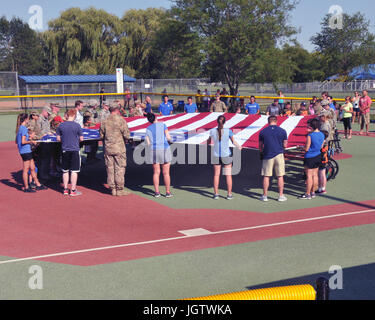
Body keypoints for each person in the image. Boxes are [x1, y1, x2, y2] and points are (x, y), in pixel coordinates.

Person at [208, 115, 242, 200]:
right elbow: (233, 141)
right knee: (228, 175)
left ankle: (216, 194)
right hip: (226, 155)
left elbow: (208, 142)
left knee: (216, 175)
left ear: (217, 121)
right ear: (225, 122)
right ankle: (229, 194)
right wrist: (239, 146)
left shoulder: (212, 131)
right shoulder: (228, 131)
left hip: (216, 155)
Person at [100, 106, 131, 197]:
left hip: (108, 148)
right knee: (120, 168)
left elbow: (101, 136)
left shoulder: (104, 121)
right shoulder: (121, 120)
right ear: (117, 110)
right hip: (119, 148)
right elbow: (127, 135)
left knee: (110, 168)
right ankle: (119, 189)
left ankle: (112, 189)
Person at [258, 116, 288, 202]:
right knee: (280, 176)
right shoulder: (282, 131)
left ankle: (264, 195)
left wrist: (261, 152)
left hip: (267, 155)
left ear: (268, 122)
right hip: (279, 154)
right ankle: (281, 195)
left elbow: (260, 145)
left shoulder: (263, 131)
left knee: (266, 176)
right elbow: (285, 144)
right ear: (276, 121)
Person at [15, 113, 47, 193]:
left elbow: (18, 140)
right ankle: (26, 187)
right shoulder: (23, 128)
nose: (28, 120)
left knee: (32, 168)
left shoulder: (21, 128)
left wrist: (30, 137)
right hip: (25, 151)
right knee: (26, 169)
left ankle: (38, 184)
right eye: (28, 118)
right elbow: (22, 141)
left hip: (27, 151)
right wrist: (31, 141)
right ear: (25, 119)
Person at [56, 109, 84, 197]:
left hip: (65, 150)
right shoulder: (77, 126)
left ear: (67, 115)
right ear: (74, 116)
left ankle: (65, 189)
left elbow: (58, 139)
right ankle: (72, 190)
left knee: (65, 171)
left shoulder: (61, 126)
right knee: (74, 171)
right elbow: (81, 139)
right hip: (74, 150)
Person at [145, 112, 173, 198]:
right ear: (156, 117)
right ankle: (167, 192)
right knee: (166, 173)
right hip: (164, 148)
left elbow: (148, 142)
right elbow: (168, 137)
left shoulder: (148, 128)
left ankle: (157, 192)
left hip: (154, 150)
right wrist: (171, 140)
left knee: (156, 172)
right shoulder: (163, 125)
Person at [299, 118, 325, 200]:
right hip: (318, 156)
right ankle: (313, 192)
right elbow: (321, 146)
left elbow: (306, 148)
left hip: (310, 157)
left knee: (309, 176)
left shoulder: (310, 135)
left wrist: (301, 147)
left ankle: (307, 193)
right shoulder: (322, 134)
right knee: (315, 175)